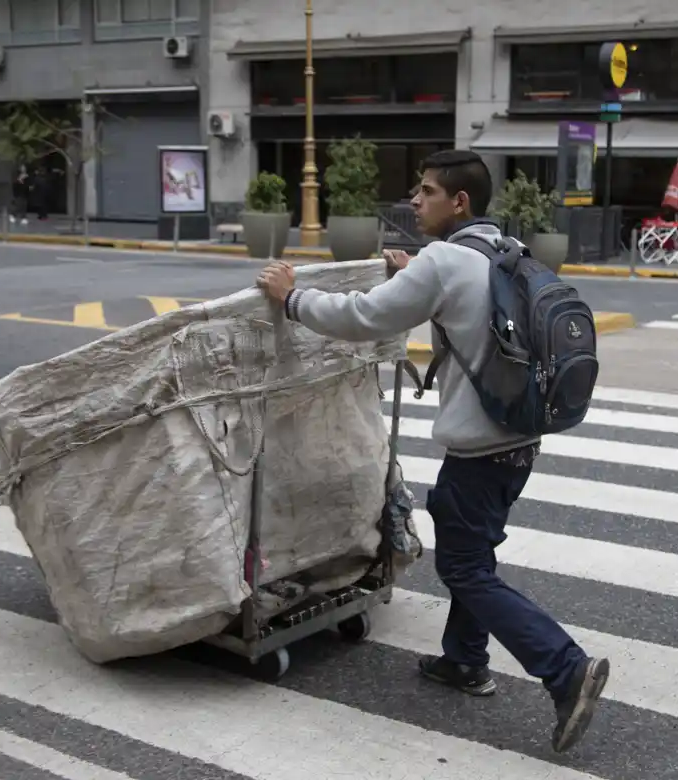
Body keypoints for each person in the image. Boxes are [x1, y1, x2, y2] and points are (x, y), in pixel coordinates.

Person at [255, 149, 609, 754]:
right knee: (475, 555)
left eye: (425, 192)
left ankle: (564, 668)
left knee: (465, 569)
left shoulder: (445, 261)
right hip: (520, 440)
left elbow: (363, 315)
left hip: (480, 448)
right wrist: (410, 274)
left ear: (459, 202)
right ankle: (464, 661)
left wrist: (293, 298)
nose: (415, 202)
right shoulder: (501, 249)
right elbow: (460, 306)